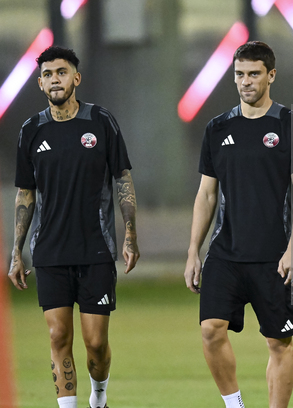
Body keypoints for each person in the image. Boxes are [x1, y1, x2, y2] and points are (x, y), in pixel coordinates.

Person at [184, 41, 293, 408]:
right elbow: (206, 196)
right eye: (240, 74)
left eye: (254, 74)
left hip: (272, 255)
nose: (246, 82)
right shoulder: (217, 128)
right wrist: (194, 250)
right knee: (211, 330)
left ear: (271, 75)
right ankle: (234, 405)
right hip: (224, 253)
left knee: (279, 342)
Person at [8, 46, 139, 408]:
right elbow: (25, 193)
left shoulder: (101, 122)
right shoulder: (31, 131)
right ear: (39, 83)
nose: (55, 79)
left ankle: (99, 398)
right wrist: (16, 252)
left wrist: (130, 233)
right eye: (48, 74)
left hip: (96, 249)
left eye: (61, 72)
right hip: (49, 250)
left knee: (95, 343)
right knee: (57, 335)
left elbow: (122, 179)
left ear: (76, 79)